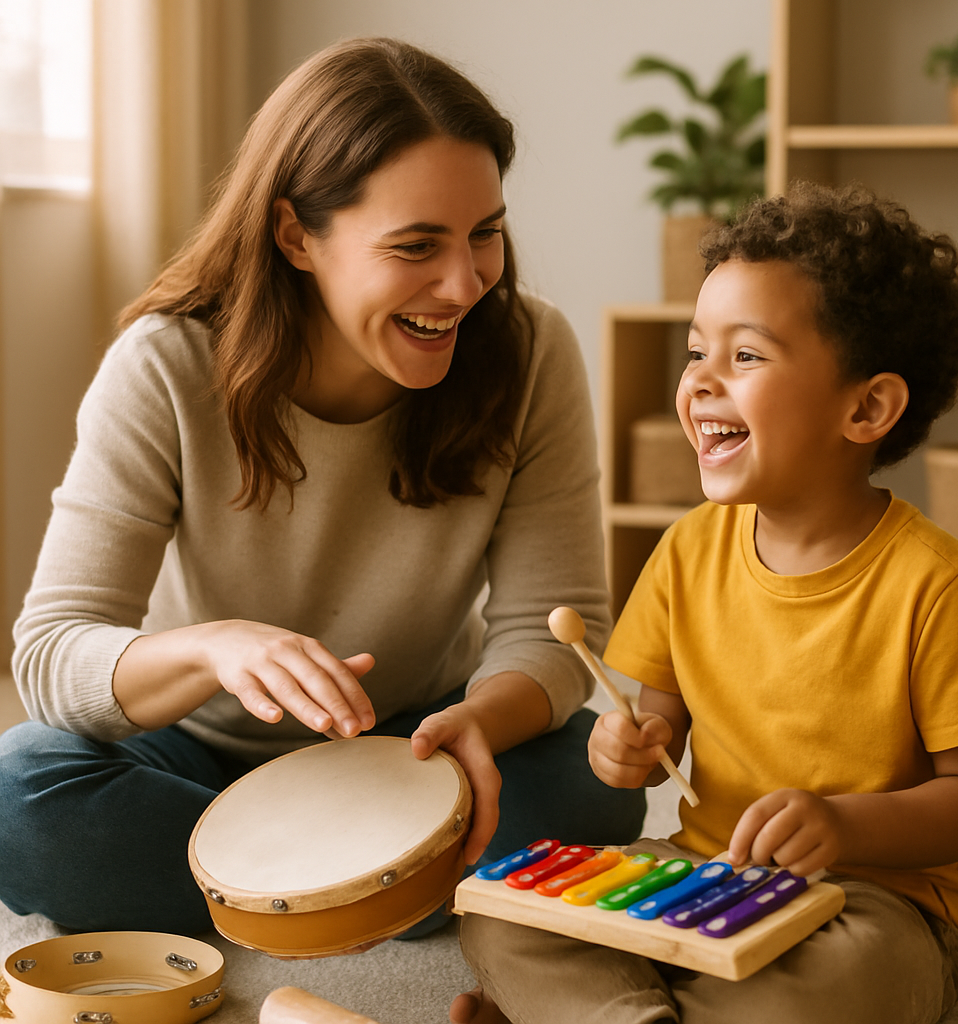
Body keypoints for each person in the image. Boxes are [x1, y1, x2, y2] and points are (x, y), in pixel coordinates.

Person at [0, 37, 645, 936]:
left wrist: (479, 725)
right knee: (19, 792)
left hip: (422, 745)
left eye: (486, 233)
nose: (465, 283)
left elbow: (557, 623)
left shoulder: (532, 352)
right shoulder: (165, 364)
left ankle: (277, 896)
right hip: (196, 759)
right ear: (296, 233)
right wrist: (213, 650)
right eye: (417, 244)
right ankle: (376, 892)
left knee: (597, 781)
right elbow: (48, 657)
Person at [452, 182, 958, 1024]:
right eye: (695, 353)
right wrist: (632, 745)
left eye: (745, 357)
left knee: (839, 982)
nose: (701, 384)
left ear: (867, 407)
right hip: (704, 873)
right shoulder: (686, 551)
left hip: (878, 903)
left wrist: (844, 828)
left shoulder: (940, 587)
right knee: (500, 916)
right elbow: (658, 728)